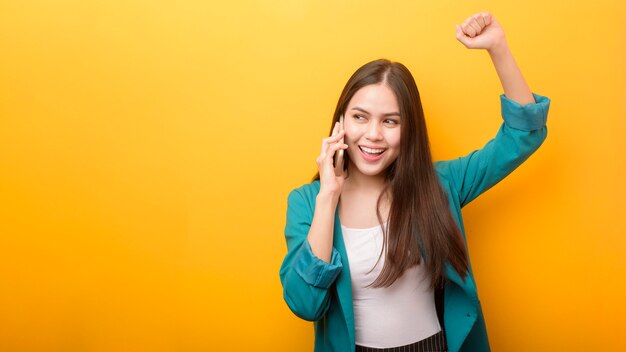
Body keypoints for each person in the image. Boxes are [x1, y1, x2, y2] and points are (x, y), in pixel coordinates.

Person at [279, 12, 550, 352]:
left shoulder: (439, 185)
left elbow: (523, 135)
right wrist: (329, 195)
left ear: (409, 130)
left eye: (390, 121)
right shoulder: (308, 202)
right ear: (340, 122)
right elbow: (305, 304)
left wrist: (498, 48)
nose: (373, 135)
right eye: (360, 117)